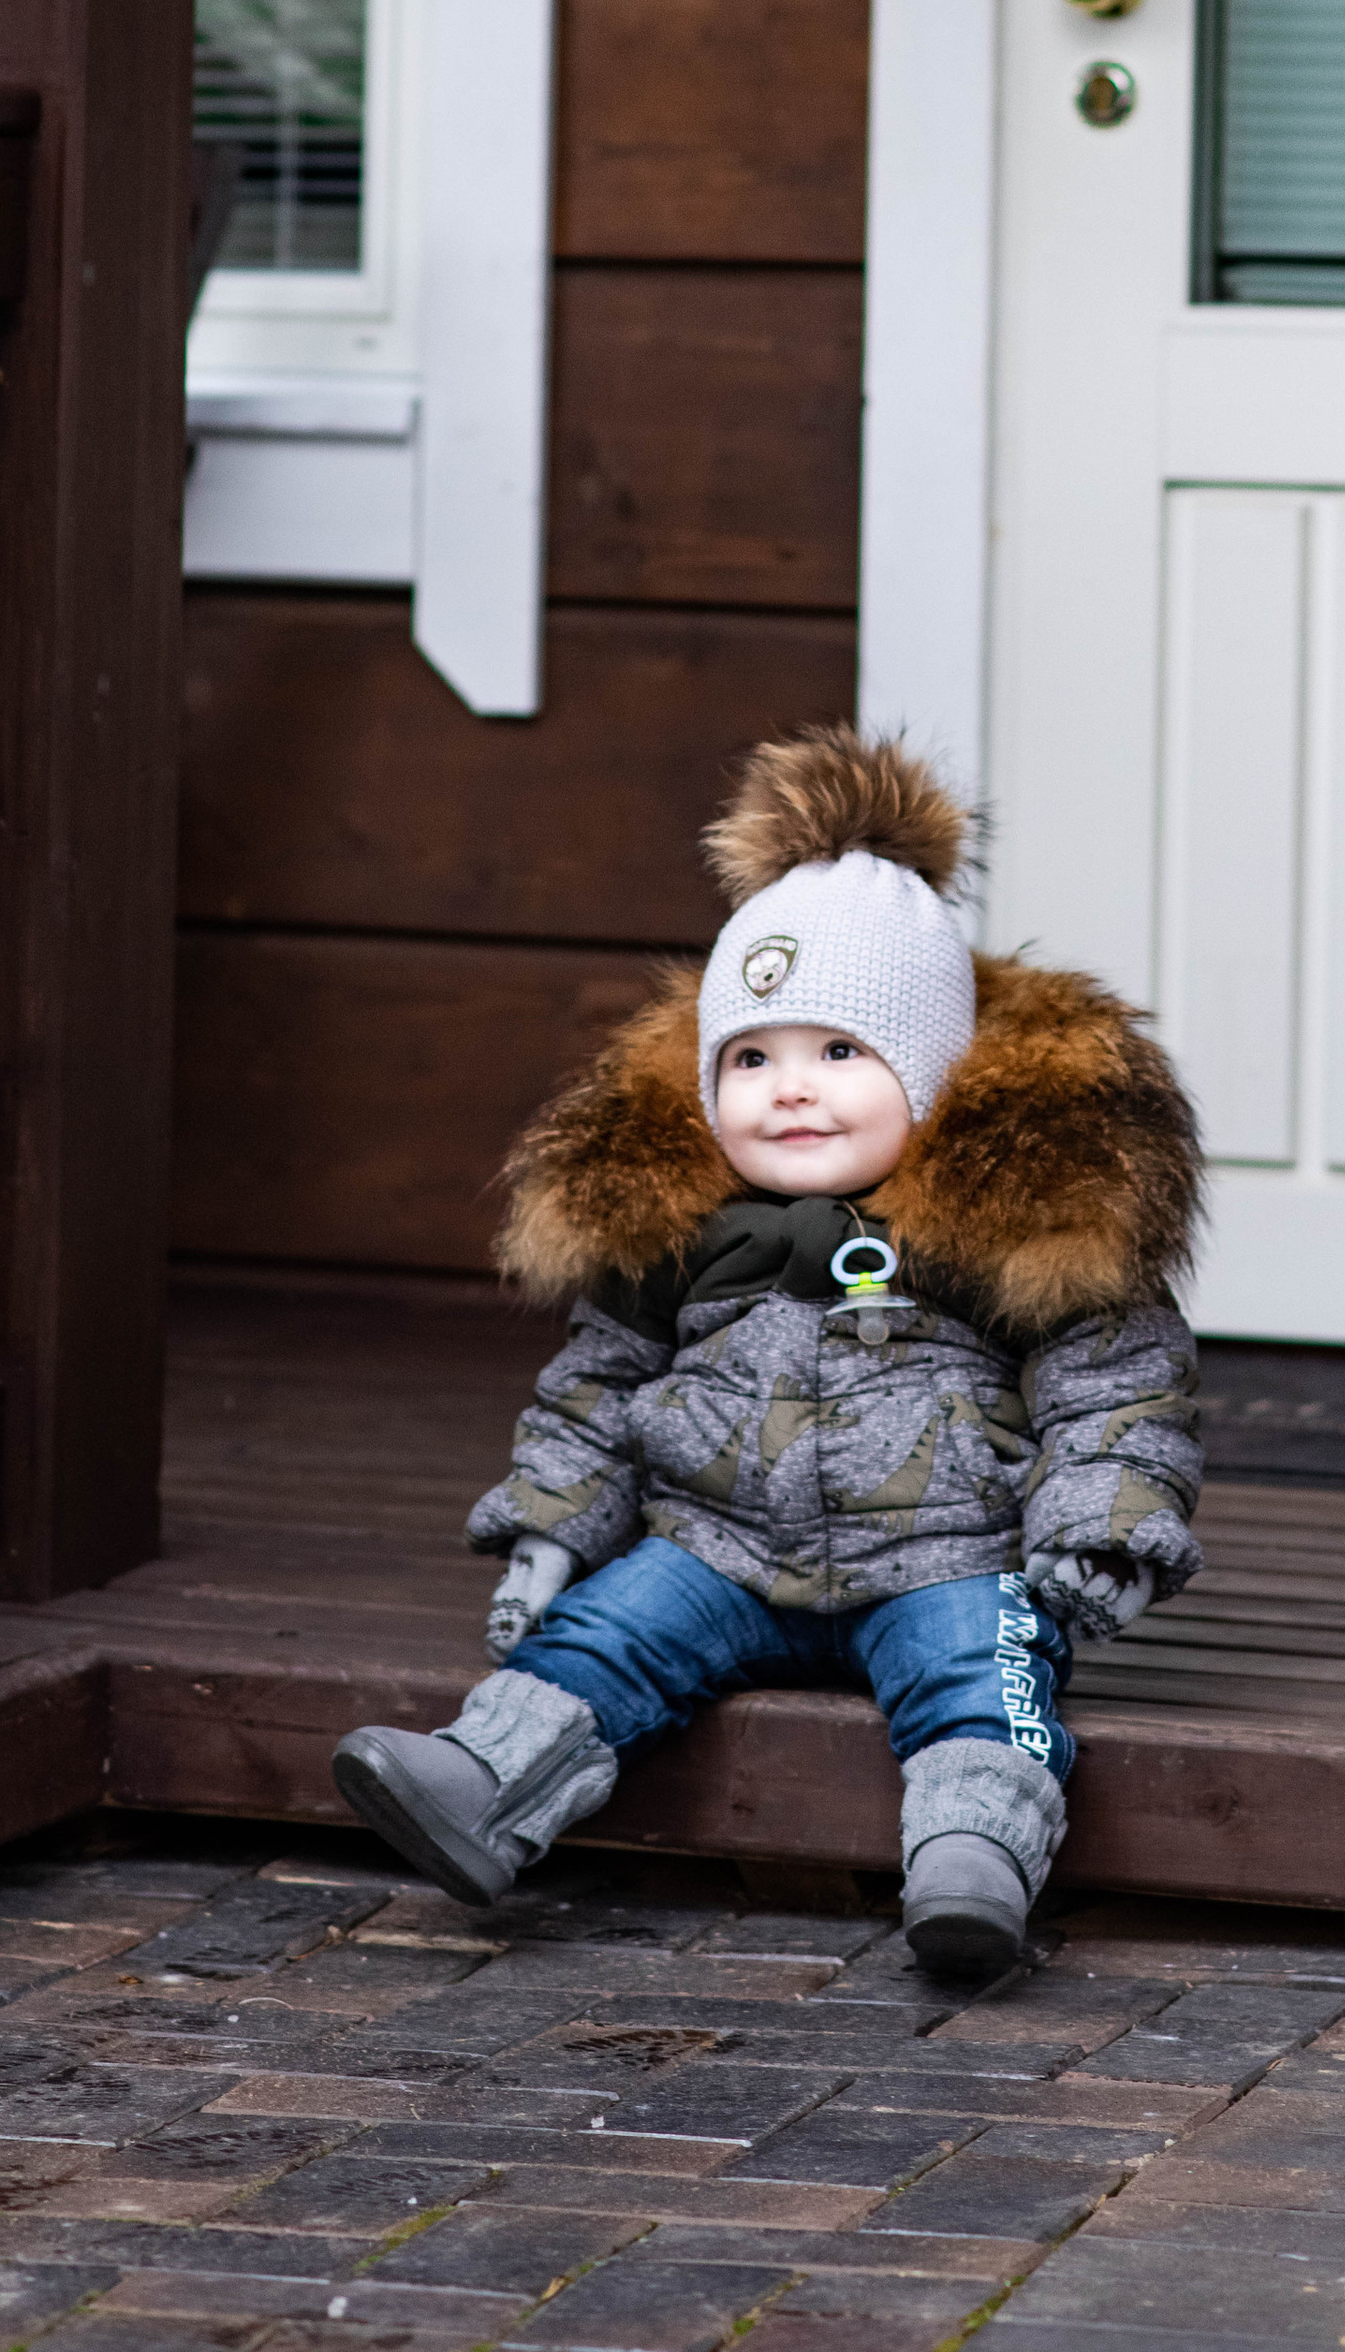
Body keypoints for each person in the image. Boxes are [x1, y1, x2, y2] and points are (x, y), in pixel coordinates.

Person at [332, 727, 1204, 1977]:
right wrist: (549, 1532)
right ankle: (479, 1782)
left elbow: (1115, 1388)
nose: (789, 1089)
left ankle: (972, 1860)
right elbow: (597, 1388)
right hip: (718, 1543)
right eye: (752, 1058)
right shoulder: (682, 1231)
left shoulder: (1010, 1224)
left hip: (947, 1553)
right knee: (600, 1634)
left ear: (936, 1072)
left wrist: (1097, 1537)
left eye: (840, 1053)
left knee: (987, 1680)